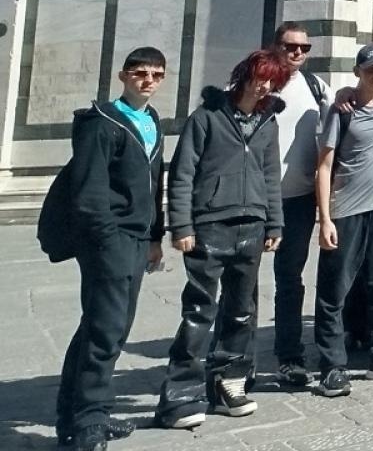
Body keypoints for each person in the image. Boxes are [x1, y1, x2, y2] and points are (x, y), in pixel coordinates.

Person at [156, 49, 289, 429]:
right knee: (199, 311)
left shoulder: (268, 122)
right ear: (244, 75)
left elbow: (269, 177)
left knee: (242, 311)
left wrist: (274, 225)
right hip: (211, 224)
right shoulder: (206, 117)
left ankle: (229, 384)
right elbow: (182, 174)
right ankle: (179, 394)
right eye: (259, 77)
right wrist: (181, 226)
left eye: (272, 81)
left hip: (252, 226)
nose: (264, 86)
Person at [52, 47, 168, 451]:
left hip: (137, 240)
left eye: (156, 74)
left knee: (103, 326)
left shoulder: (151, 120)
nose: (148, 80)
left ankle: (74, 414)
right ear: (122, 76)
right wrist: (106, 242)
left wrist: (155, 237)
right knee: (106, 331)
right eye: (140, 73)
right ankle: (89, 423)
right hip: (110, 240)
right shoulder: (101, 123)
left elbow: (156, 186)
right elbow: (89, 192)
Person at [311, 42, 373, 397]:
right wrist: (325, 219)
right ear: (358, 71)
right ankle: (332, 365)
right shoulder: (341, 110)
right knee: (334, 289)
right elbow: (323, 166)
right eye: (372, 69)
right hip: (348, 209)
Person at [269, 22, 331, 390]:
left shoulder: (316, 87)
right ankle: (236, 357)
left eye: (304, 48)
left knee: (289, 279)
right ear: (275, 46)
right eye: (290, 47)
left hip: (298, 201)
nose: (297, 53)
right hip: (257, 200)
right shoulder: (254, 84)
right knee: (240, 283)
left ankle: (288, 356)